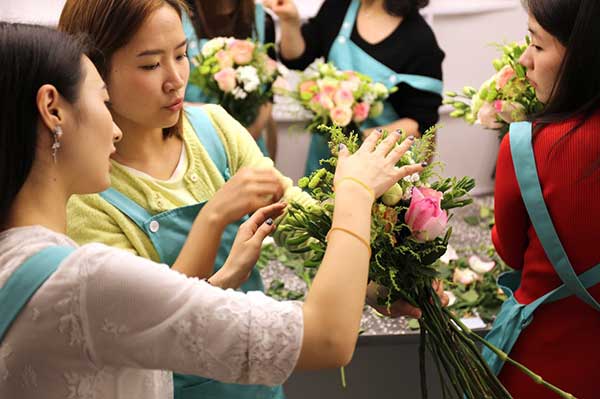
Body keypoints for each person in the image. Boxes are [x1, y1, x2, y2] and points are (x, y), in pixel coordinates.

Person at [0, 21, 425, 399]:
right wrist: (353, 190)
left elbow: (291, 218)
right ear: (52, 108)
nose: (175, 79)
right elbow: (327, 339)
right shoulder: (88, 271)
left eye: (183, 55)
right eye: (102, 97)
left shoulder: (18, 255)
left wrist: (369, 285)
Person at [482, 1, 600, 397]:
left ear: (584, 55)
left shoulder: (527, 147)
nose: (525, 60)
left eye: (537, 44)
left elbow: (510, 252)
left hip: (542, 373)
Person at [265, 0, 444, 175]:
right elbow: (297, 59)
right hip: (327, 154)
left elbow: (420, 122)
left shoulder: (420, 39)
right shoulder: (338, 6)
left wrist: (357, 142)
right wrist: (289, 21)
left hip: (380, 166)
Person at [183, 0, 278, 158]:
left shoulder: (262, 18)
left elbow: (268, 92)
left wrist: (245, 139)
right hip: (194, 144)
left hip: (250, 143)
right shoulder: (179, 15)